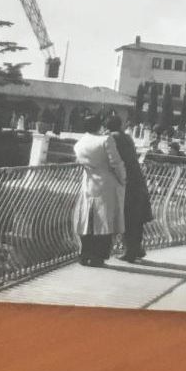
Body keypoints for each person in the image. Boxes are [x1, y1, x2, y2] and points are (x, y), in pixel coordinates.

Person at [73, 114, 126, 266]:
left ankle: (84, 254)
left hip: (88, 183)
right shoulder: (105, 140)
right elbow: (116, 163)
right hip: (106, 184)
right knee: (104, 221)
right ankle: (98, 256)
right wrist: (122, 179)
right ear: (99, 125)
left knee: (87, 220)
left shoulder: (80, 142)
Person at [105, 116, 153, 262]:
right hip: (137, 179)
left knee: (127, 216)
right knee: (136, 217)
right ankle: (136, 248)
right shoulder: (127, 138)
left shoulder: (111, 138)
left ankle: (130, 251)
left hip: (125, 181)